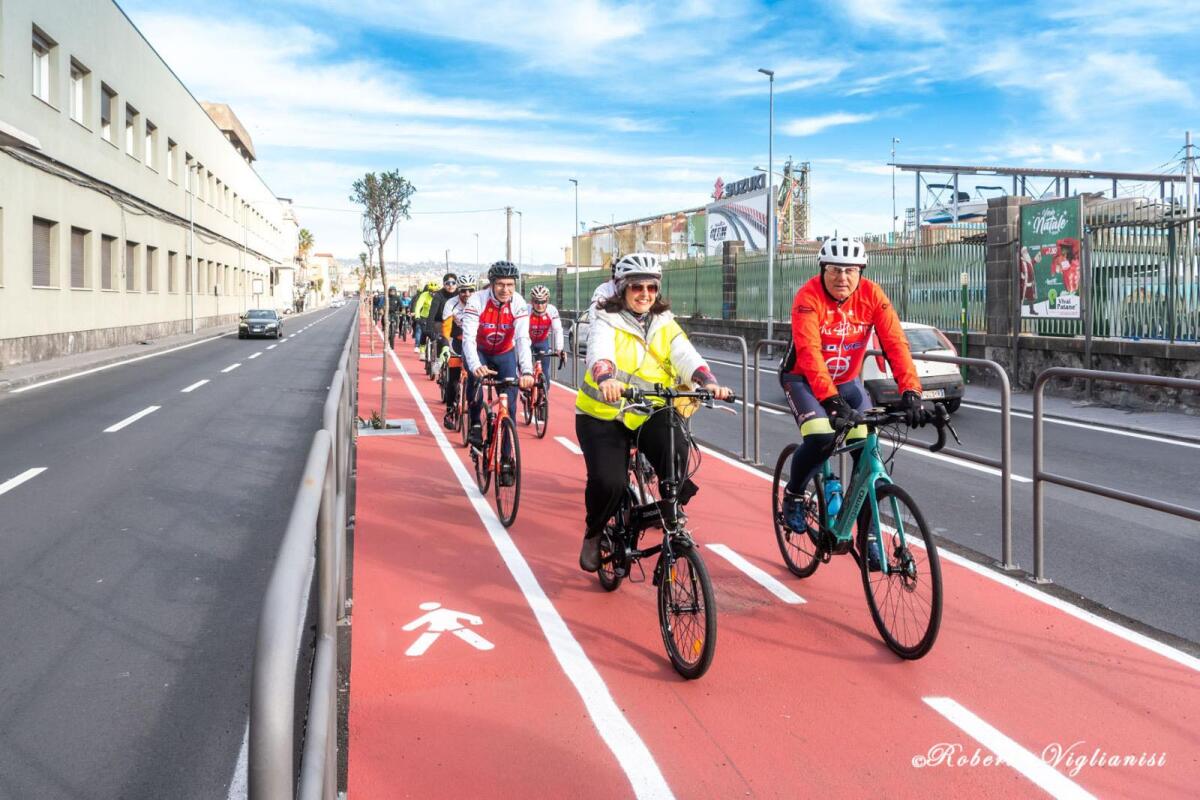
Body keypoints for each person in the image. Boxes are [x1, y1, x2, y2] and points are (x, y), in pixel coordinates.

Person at [574, 252, 732, 572]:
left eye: (651, 287)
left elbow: (684, 354)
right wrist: (606, 378)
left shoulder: (664, 322)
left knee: (677, 449)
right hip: (604, 414)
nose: (644, 294)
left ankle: (667, 509)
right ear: (622, 289)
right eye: (636, 287)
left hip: (648, 410)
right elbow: (599, 352)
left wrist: (708, 381)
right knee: (609, 482)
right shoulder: (605, 318)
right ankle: (594, 533)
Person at [778, 237, 928, 570]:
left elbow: (895, 343)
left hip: (846, 382)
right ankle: (794, 494)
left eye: (850, 270)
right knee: (820, 436)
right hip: (802, 379)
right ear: (822, 270)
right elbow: (809, 353)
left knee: (868, 452)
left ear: (860, 272)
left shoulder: (872, 295)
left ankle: (867, 536)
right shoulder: (808, 297)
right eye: (834, 270)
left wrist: (912, 392)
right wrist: (830, 401)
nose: (841, 277)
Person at [461, 261, 535, 487]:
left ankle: (505, 459)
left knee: (510, 406)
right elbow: (469, 339)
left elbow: (522, 339)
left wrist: (528, 370)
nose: (506, 289)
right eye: (501, 284)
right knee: (476, 382)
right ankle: (475, 423)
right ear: (491, 284)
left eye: (510, 285)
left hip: (504, 352)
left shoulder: (519, 303)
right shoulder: (477, 301)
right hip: (480, 352)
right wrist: (475, 366)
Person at [440, 274, 476, 429]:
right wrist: (445, 346)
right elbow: (446, 328)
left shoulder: (480, 302)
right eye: (463, 291)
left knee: (475, 379)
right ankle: (450, 410)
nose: (467, 294)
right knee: (453, 379)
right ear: (458, 291)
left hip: (474, 342)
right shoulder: (451, 303)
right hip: (457, 341)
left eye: (470, 290)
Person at [527, 285, 565, 384]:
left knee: (545, 372)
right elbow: (518, 330)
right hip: (527, 341)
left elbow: (558, 330)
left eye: (543, 302)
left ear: (547, 301)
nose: (540, 305)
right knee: (524, 369)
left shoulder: (552, 310)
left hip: (542, 341)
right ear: (532, 302)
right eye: (536, 302)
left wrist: (559, 348)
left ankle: (544, 395)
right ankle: (525, 390)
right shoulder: (526, 310)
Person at [411, 281, 437, 351]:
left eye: (435, 292)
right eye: (431, 291)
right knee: (425, 331)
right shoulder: (424, 295)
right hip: (424, 316)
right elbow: (418, 306)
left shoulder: (439, 296)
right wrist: (417, 316)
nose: (433, 293)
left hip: (435, 317)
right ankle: (422, 347)